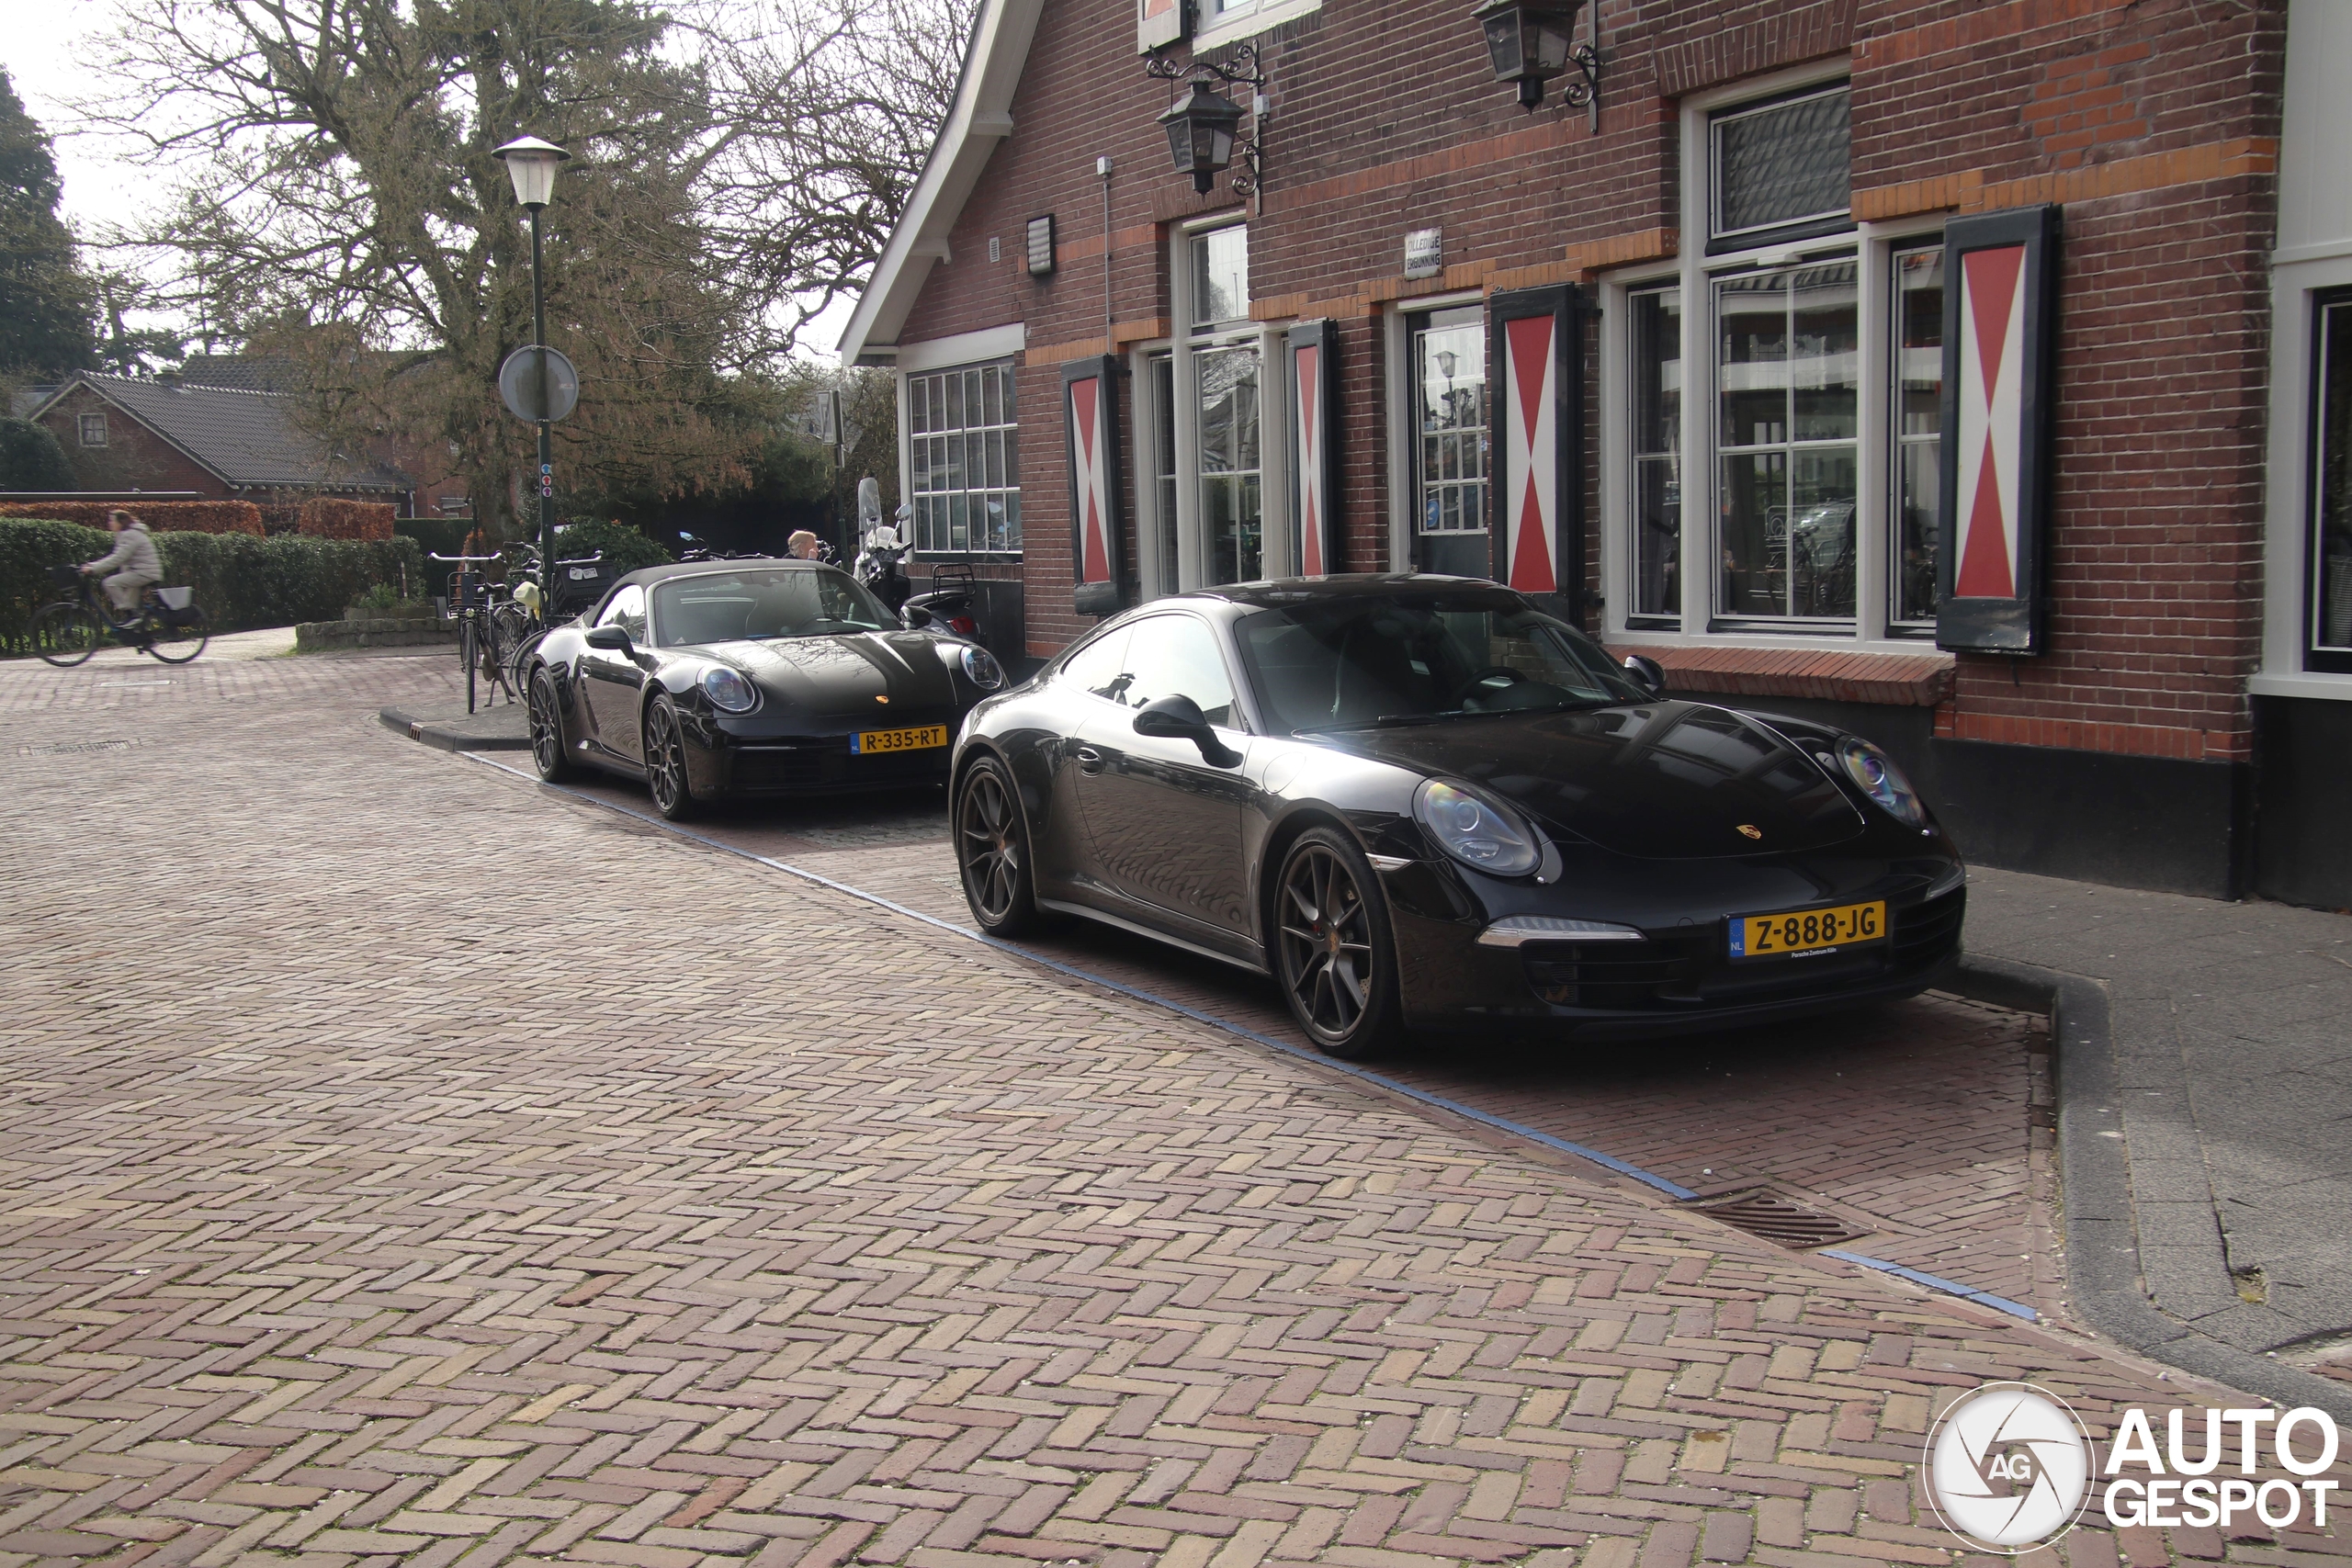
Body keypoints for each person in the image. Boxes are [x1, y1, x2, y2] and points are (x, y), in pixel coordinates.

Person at [83, 510, 162, 623]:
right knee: (130, 604)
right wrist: (91, 565)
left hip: (143, 573)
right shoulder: (131, 533)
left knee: (110, 583)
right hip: (142, 572)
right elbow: (118, 558)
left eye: (112, 521)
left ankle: (132, 616)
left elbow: (118, 558)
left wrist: (93, 569)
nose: (109, 523)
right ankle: (135, 625)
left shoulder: (129, 535)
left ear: (121, 522)